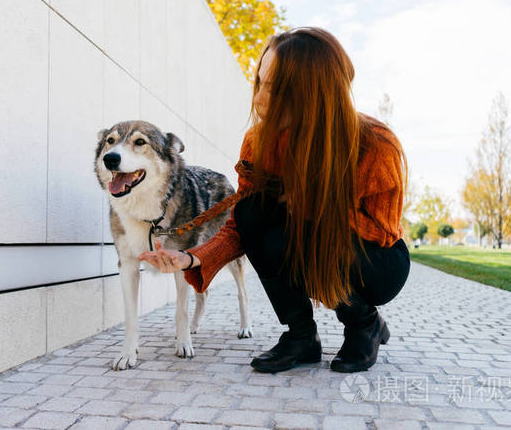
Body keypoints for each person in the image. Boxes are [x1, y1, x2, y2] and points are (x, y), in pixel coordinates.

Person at [139, 27, 410, 374]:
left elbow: (380, 232)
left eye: (278, 88)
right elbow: (241, 224)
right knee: (255, 211)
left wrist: (311, 206)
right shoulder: (258, 141)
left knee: (311, 233)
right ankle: (301, 337)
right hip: (309, 240)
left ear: (318, 92)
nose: (260, 99)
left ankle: (363, 324)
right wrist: (191, 257)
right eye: (259, 83)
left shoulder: (377, 145)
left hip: (377, 260)